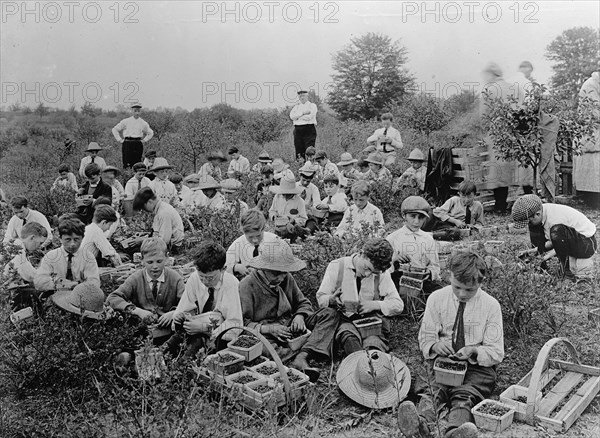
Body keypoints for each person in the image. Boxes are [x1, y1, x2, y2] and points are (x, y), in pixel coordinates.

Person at [399, 252, 503, 438]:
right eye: (457, 287)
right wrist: (435, 345)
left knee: (465, 395)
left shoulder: (491, 305)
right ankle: (420, 426)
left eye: (469, 290)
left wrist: (474, 350)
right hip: (441, 362)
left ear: (481, 282)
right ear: (449, 277)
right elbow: (426, 336)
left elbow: (496, 351)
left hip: (475, 367)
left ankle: (455, 431)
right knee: (432, 391)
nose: (462, 294)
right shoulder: (437, 298)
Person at [239, 239, 339, 381]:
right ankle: (310, 348)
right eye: (276, 273)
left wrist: (300, 316)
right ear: (263, 269)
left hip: (290, 326)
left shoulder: (286, 278)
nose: (281, 277)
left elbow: (303, 303)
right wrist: (269, 329)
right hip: (266, 333)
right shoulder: (247, 285)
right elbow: (243, 324)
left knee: (329, 314)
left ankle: (301, 356)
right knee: (262, 348)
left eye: (284, 273)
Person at [316, 238, 402, 356]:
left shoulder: (381, 274)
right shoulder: (337, 266)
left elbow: (398, 304)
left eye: (373, 273)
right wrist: (332, 299)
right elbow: (321, 298)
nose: (367, 274)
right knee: (348, 335)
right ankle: (357, 359)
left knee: (374, 340)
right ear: (361, 254)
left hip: (370, 321)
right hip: (344, 318)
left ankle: (373, 359)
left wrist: (374, 305)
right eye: (367, 268)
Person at [167, 241, 243, 357]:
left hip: (219, 339)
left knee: (195, 349)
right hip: (196, 332)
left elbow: (235, 326)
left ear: (223, 269)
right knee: (174, 343)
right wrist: (180, 318)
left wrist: (204, 328)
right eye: (201, 277)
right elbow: (183, 309)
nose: (205, 281)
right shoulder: (194, 278)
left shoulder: (230, 284)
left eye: (210, 278)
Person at [511, 194, 597, 282]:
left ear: (537, 214)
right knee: (536, 226)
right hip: (571, 239)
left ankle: (567, 274)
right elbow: (552, 242)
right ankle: (541, 267)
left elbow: (559, 244)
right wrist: (533, 251)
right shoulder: (541, 212)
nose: (529, 224)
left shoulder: (554, 220)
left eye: (528, 221)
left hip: (586, 243)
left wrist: (545, 257)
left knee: (556, 231)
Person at [107, 237, 184, 329]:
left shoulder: (175, 278)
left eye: (159, 261)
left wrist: (174, 313)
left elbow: (189, 303)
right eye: (150, 262)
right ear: (142, 260)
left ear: (167, 258)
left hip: (170, 329)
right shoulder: (135, 278)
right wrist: (137, 311)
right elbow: (112, 298)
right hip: (142, 329)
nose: (155, 266)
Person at [480, 63, 522, 213]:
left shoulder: (490, 89)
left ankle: (500, 206)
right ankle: (515, 203)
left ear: (492, 74)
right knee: (509, 170)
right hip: (513, 134)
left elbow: (483, 115)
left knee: (497, 170)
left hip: (497, 134)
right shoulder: (514, 87)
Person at [387, 196, 442, 296]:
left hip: (421, 281)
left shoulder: (428, 239)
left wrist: (429, 273)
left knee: (440, 293)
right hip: (398, 279)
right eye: (413, 216)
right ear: (404, 216)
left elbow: (435, 266)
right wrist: (394, 259)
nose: (416, 221)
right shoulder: (393, 238)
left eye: (421, 217)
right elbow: (382, 268)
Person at [34, 217, 100, 292]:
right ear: (60, 239)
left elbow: (95, 283)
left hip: (81, 296)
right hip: (55, 295)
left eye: (76, 239)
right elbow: (39, 282)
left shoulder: (88, 257)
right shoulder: (51, 256)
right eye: (68, 239)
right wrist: (59, 284)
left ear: (82, 238)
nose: (72, 244)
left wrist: (76, 286)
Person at [6, 223, 49, 312]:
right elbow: (29, 274)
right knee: (33, 294)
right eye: (40, 243)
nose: (39, 247)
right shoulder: (19, 249)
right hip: (5, 289)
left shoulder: (15, 244)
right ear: (32, 238)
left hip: (6, 284)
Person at [226, 210, 281, 278]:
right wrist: (236, 267)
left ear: (263, 229)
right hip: (249, 283)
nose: (255, 240)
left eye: (258, 236)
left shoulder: (273, 240)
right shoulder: (238, 244)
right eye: (250, 237)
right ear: (244, 232)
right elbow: (226, 266)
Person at [133, 187, 184, 254]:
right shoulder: (160, 208)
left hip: (173, 248)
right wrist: (146, 235)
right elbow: (158, 233)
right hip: (168, 245)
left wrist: (143, 240)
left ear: (149, 202)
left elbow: (163, 241)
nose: (144, 210)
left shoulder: (164, 212)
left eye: (143, 207)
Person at [573, 67, 600, 196]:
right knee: (591, 164)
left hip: (595, 130)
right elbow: (595, 111)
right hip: (590, 131)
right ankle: (590, 195)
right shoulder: (591, 85)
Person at [112, 103, 154, 169]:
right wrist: (120, 139)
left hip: (138, 143)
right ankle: (126, 176)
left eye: (138, 111)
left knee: (137, 163)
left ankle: (136, 177)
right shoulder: (126, 121)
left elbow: (150, 133)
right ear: (132, 111)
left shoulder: (143, 123)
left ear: (140, 112)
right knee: (127, 162)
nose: (137, 113)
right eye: (135, 111)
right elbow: (115, 129)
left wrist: (144, 140)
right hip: (127, 143)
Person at [268, 175, 308, 242]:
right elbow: (272, 210)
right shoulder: (277, 197)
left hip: (291, 228)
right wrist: (274, 216)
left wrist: (294, 221)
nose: (286, 195)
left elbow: (303, 218)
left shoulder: (299, 201)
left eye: (288, 193)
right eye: (284, 193)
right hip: (278, 226)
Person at [289, 90, 318, 160]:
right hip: (298, 130)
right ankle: (301, 166)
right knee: (299, 149)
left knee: (309, 150)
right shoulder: (296, 107)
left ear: (307, 96)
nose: (302, 98)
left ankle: (311, 166)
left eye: (303, 96)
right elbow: (292, 116)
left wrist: (298, 117)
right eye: (300, 96)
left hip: (309, 129)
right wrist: (303, 113)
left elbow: (309, 117)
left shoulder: (312, 106)